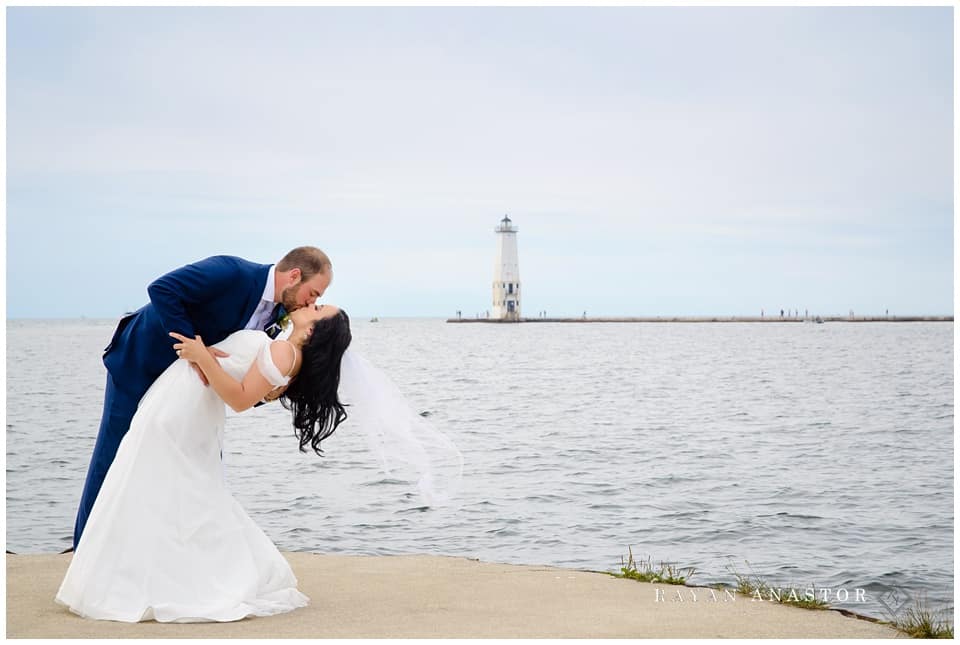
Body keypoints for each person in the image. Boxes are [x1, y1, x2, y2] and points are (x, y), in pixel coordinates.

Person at [56, 303, 353, 622]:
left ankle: (160, 578)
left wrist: (201, 356)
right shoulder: (285, 351)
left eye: (318, 308)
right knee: (173, 490)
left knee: (157, 485)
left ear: (312, 331)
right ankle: (155, 573)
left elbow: (239, 399)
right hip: (187, 404)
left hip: (185, 408)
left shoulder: (284, 351)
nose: (311, 304)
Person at [72, 247, 333, 550]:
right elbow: (162, 289)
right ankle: (85, 550)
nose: (312, 302)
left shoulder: (277, 316)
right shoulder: (231, 271)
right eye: (313, 293)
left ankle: (179, 555)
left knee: (200, 471)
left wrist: (270, 392)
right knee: (113, 455)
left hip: (188, 396)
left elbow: (242, 370)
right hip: (140, 366)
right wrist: (195, 348)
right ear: (294, 276)